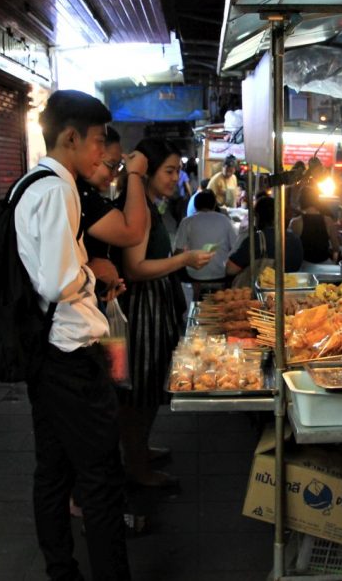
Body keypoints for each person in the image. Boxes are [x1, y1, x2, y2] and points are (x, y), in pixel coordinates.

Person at [14, 89, 131, 580]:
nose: (103, 153)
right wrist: (91, 271)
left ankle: (62, 571)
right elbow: (56, 282)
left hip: (46, 354)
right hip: (70, 357)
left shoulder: (29, 184)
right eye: (99, 141)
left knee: (53, 471)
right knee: (100, 479)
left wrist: (82, 265)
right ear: (70, 137)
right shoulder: (58, 188)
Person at [117, 138, 213, 487]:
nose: (176, 178)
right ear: (148, 172)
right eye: (169, 171)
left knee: (148, 387)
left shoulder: (147, 204)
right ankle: (137, 467)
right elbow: (136, 267)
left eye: (177, 170)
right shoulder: (138, 206)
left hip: (153, 305)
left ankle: (138, 451)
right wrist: (184, 259)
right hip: (143, 311)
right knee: (139, 392)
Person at [79, 127, 149, 302]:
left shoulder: (85, 193)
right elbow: (132, 233)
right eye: (111, 165)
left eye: (119, 166)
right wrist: (134, 174)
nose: (115, 173)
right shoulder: (79, 194)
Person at [174, 190, 238, 294]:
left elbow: (178, 251)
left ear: (195, 205)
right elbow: (235, 247)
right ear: (214, 204)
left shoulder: (187, 221)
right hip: (221, 273)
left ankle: (196, 295)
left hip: (194, 275)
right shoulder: (225, 220)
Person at [227, 195, 304, 277]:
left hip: (263, 288)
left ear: (258, 217)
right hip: (291, 287)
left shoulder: (257, 240)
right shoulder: (295, 239)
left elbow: (230, 269)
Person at [289, 184, 341, 264]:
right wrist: (334, 262)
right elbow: (336, 248)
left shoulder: (295, 222)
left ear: (300, 201)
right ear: (317, 200)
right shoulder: (328, 220)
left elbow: (291, 248)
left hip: (304, 265)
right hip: (325, 264)